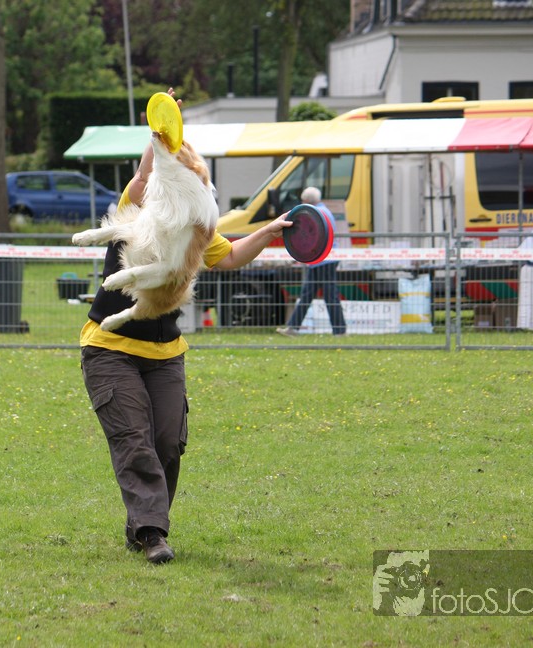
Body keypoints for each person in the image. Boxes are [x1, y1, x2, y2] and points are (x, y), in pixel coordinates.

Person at [79, 100, 293, 564]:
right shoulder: (140, 202)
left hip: (165, 352)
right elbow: (144, 176)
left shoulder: (195, 227)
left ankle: (142, 523)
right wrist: (161, 132)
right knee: (134, 439)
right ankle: (153, 533)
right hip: (110, 347)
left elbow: (229, 256)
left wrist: (268, 231)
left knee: (167, 443)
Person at [275, 187, 347, 337]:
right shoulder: (324, 211)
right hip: (324, 259)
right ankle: (295, 327)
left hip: (321, 259)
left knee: (322, 294)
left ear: (306, 200)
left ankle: (338, 330)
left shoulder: (315, 213)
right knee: (314, 294)